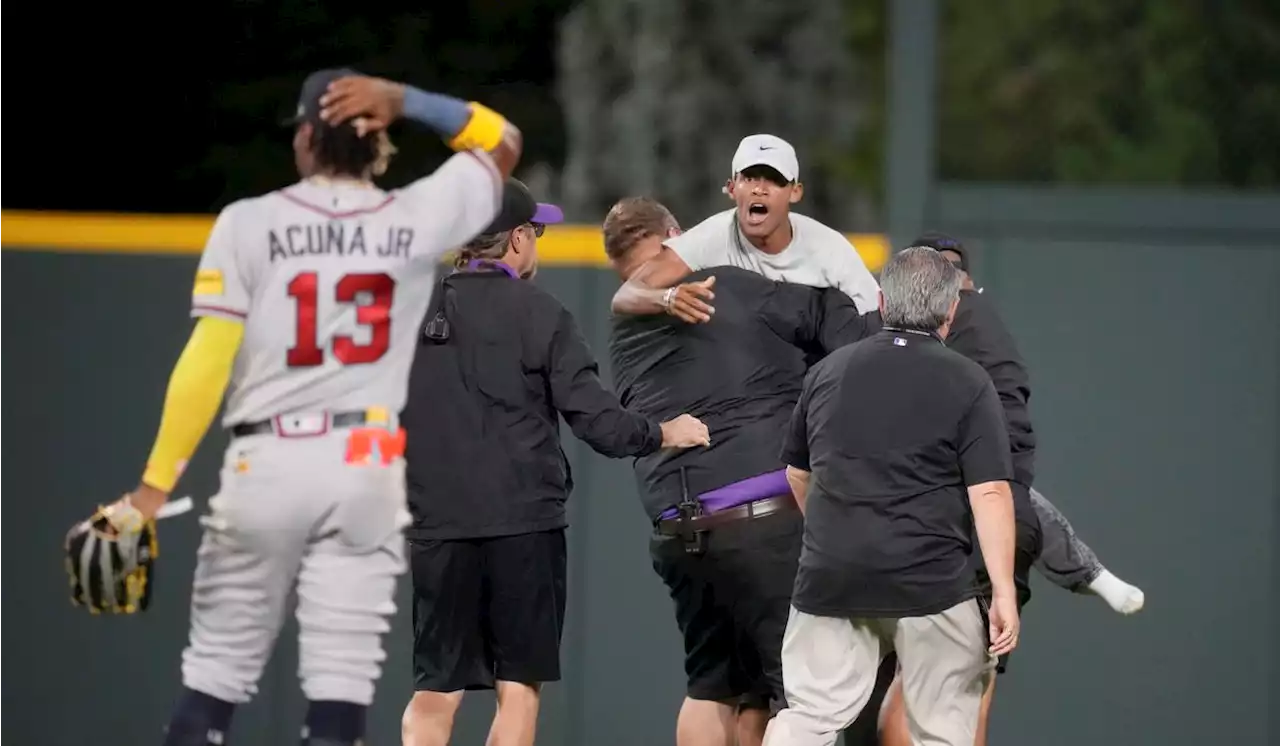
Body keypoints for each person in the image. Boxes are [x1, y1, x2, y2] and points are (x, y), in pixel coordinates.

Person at [62, 69, 524, 746]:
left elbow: (208, 359)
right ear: (379, 145)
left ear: (306, 139)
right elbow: (503, 142)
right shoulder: (413, 218)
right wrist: (407, 102)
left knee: (214, 680)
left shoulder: (250, 222)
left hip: (268, 459)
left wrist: (153, 490)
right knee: (340, 696)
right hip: (366, 466)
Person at [400, 184, 711, 746]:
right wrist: (663, 431)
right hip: (524, 526)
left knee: (433, 692)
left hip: (437, 526)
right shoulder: (541, 312)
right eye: (535, 233)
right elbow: (598, 423)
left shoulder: (414, 312)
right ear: (516, 239)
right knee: (517, 690)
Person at [604, 197, 878, 746]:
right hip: (762, 522)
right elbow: (834, 321)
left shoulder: (621, 332)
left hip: (678, 531)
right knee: (805, 697)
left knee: (715, 688)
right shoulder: (725, 281)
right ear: (676, 235)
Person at [873, 233, 1145, 746]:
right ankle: (1088, 572)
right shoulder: (981, 342)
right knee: (957, 693)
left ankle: (1088, 572)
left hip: (928, 534)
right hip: (974, 533)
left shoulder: (917, 341)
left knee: (921, 690)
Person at [766, 247, 1020, 746]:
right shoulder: (969, 380)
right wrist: (1004, 592)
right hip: (931, 583)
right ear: (950, 311)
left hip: (831, 576)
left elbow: (797, 475)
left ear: (881, 303)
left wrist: (830, 537)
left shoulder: (827, 373)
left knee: (809, 719)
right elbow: (989, 491)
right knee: (942, 732)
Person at [609, 134, 881, 324]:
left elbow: (876, 321)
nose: (760, 189)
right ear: (731, 188)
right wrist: (667, 298)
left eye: (774, 180)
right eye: (749, 178)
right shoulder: (712, 236)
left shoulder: (829, 249)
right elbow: (626, 295)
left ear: (795, 192)